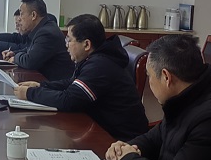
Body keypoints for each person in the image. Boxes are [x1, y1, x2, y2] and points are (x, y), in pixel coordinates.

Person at [14, 15, 148, 141]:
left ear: (86, 44)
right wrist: (41, 85)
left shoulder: (100, 65)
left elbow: (69, 100)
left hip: (120, 139)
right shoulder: (95, 58)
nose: (66, 45)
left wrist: (30, 94)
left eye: (69, 40)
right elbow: (72, 83)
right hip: (102, 128)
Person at [0, 0, 73, 80]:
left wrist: (15, 58)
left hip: (54, 84)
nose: (19, 18)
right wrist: (14, 53)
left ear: (33, 15)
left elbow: (30, 61)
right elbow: (31, 50)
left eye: (21, 14)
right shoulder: (43, 28)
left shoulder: (47, 33)